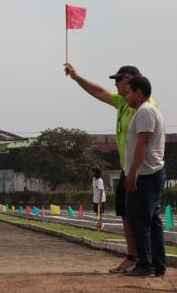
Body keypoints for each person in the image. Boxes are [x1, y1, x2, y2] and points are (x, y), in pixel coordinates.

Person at [64, 63, 153, 273]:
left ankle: (147, 261)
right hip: (127, 168)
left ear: (131, 80)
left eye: (118, 79)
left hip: (142, 171)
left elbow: (145, 141)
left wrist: (135, 171)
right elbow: (98, 92)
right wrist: (77, 77)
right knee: (125, 213)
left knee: (143, 217)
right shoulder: (123, 102)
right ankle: (132, 256)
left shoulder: (144, 107)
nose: (115, 84)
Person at [123, 76, 166, 277]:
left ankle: (145, 265)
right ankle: (158, 265)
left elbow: (143, 143)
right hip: (150, 173)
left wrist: (132, 173)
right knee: (152, 221)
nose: (126, 96)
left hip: (145, 174)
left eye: (129, 92)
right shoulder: (146, 111)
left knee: (138, 221)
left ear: (139, 92)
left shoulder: (145, 111)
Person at [91, 167, 106, 231]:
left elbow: (101, 190)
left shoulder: (100, 180)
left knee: (100, 212)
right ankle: (99, 223)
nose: (93, 173)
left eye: (94, 172)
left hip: (100, 199)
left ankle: (100, 225)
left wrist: (100, 200)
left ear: (97, 173)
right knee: (97, 213)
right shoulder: (94, 179)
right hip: (95, 199)